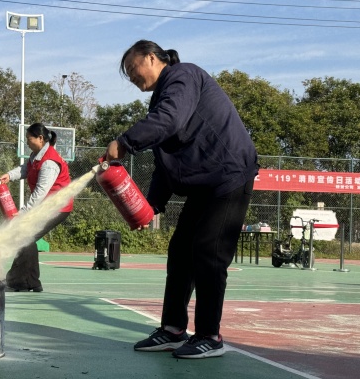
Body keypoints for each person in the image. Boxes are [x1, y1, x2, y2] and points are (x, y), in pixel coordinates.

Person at [104, 40, 258, 359]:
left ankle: (210, 336)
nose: (131, 77)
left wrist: (125, 142)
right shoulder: (161, 100)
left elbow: (170, 120)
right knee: (180, 252)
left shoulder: (183, 75)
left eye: (132, 68)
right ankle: (173, 329)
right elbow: (165, 163)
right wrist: (150, 207)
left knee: (208, 251)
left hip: (228, 175)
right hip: (205, 183)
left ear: (152, 57)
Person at [0, 123, 73, 292]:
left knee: (25, 235)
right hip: (46, 206)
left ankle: (21, 281)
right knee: (26, 236)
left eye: (29, 139)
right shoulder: (37, 155)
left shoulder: (50, 162)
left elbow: (40, 192)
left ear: (40, 138)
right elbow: (26, 169)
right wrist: (9, 175)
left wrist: (23, 213)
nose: (27, 142)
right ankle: (30, 282)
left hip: (57, 207)